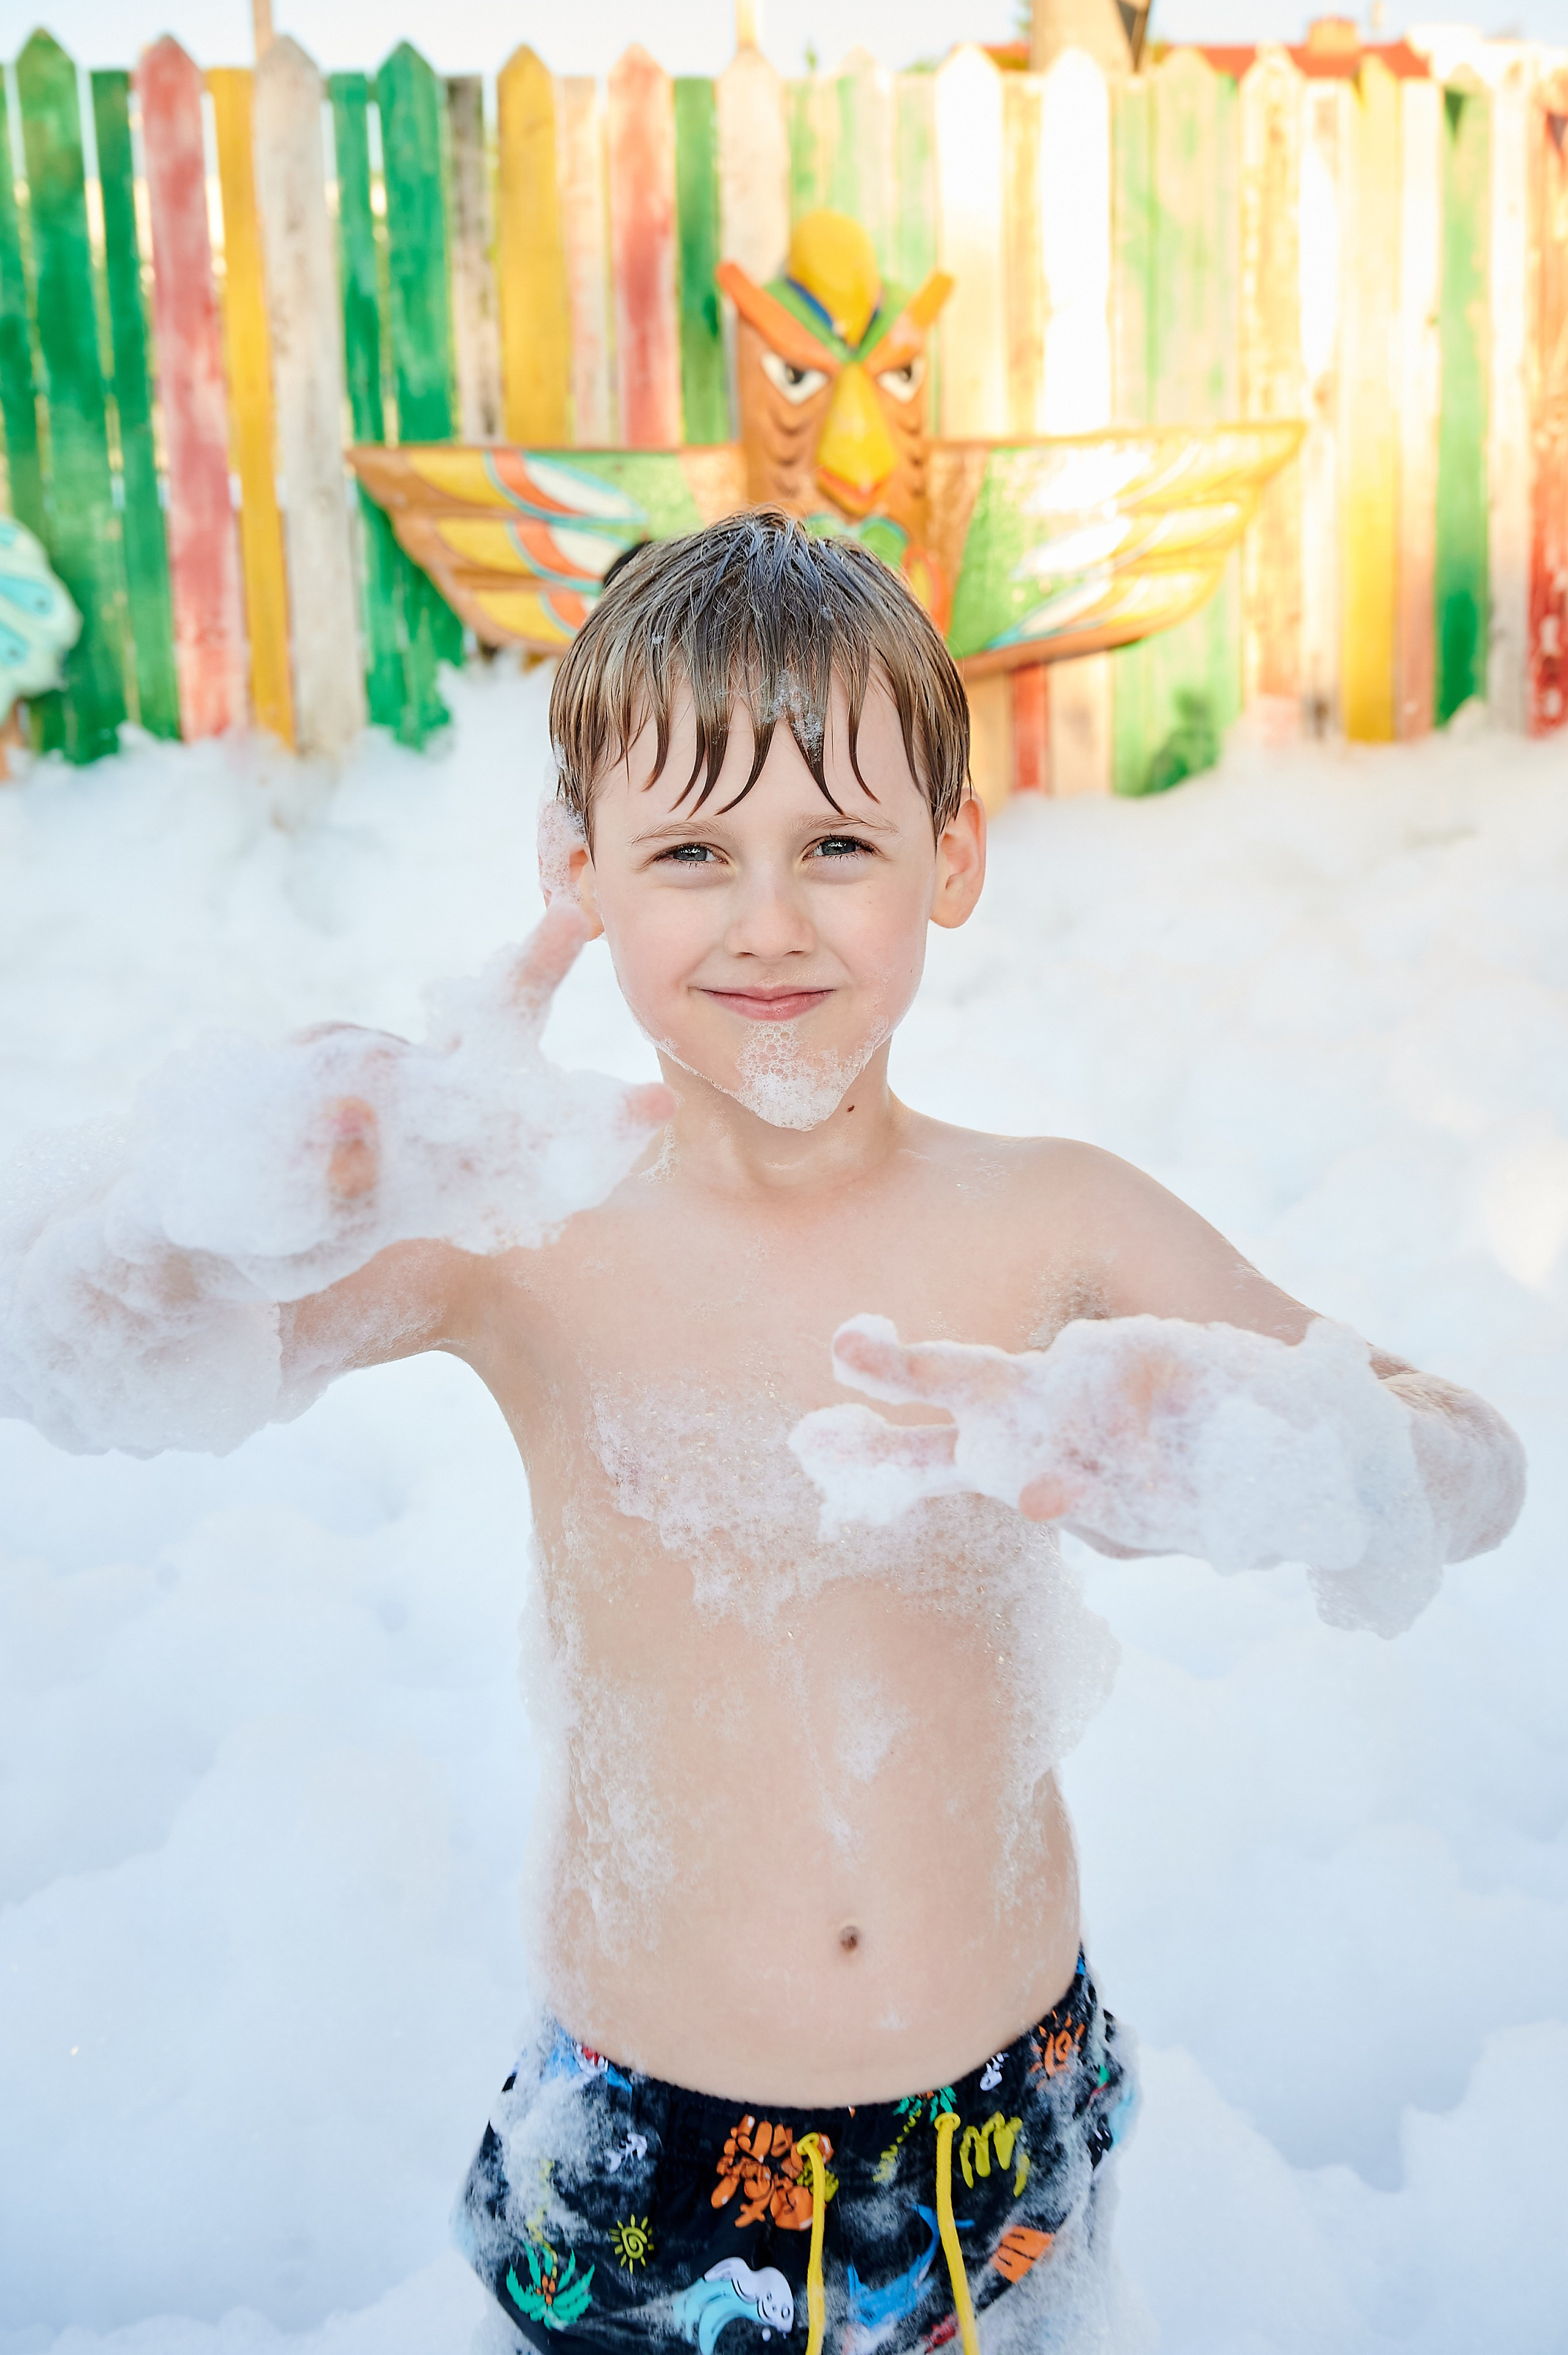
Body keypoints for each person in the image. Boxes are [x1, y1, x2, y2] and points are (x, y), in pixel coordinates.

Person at [0, 512, 1525, 2355]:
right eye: (693, 852)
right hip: (643, 2150)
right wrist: (234, 1201)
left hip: (1005, 2134)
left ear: (950, 857)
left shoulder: (1056, 1220)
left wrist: (1282, 1453)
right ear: (580, 862)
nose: (771, 918)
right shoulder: (524, 1215)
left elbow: (1472, 1464)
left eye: (839, 845)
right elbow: (73, 1355)